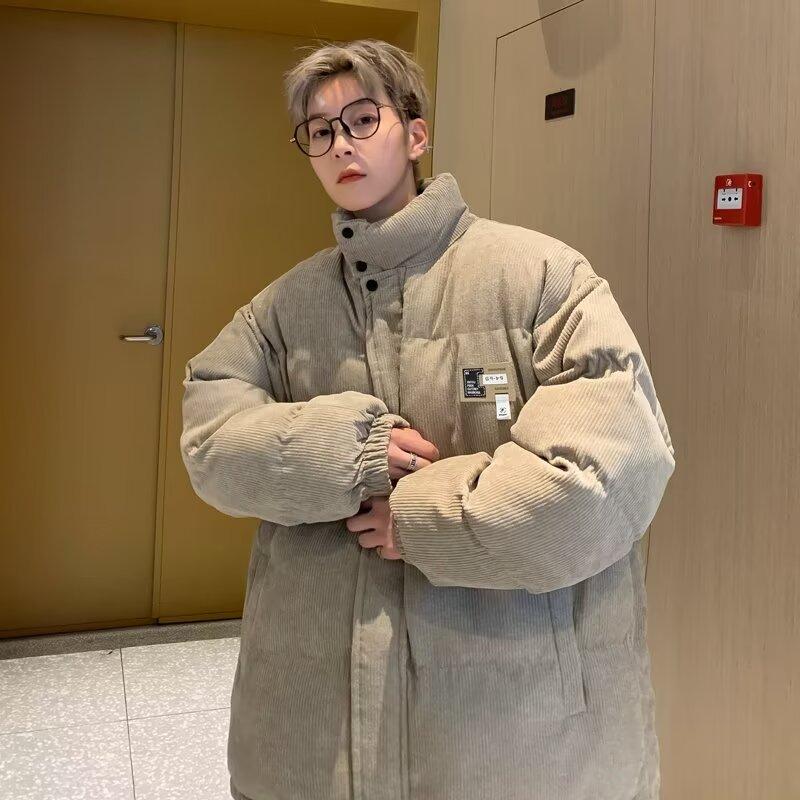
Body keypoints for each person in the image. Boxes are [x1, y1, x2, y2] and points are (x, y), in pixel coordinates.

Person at [180, 38, 676, 800]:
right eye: (319, 131)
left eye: (362, 118)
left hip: (515, 738)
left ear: (416, 135)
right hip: (312, 738)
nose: (339, 144)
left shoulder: (541, 278)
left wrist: (420, 518)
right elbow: (210, 439)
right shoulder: (283, 310)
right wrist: (351, 449)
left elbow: (608, 474)